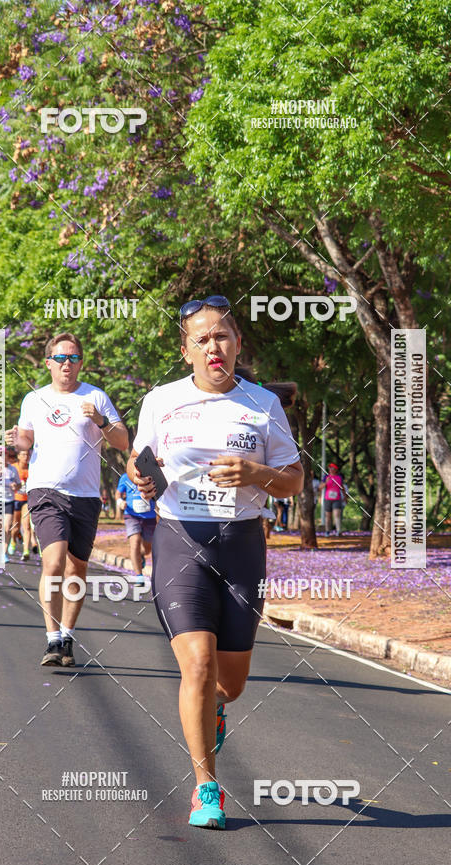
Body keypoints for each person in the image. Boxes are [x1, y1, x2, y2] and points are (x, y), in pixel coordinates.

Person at [127, 295, 303, 830]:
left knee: (231, 681)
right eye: (201, 339)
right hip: (181, 542)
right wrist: (140, 478)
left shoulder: (262, 404)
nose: (213, 346)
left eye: (221, 336)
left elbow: (294, 480)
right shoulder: (160, 401)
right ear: (187, 351)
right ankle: (207, 787)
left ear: (237, 344)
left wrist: (256, 472)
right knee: (196, 667)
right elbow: (141, 461)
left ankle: (217, 709)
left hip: (243, 545)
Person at [6, 333, 129, 667]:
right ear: (48, 363)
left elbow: (122, 440)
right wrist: (17, 439)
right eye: (60, 358)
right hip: (46, 490)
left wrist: (100, 421)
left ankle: (67, 637)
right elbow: (26, 441)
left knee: (77, 570)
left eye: (73, 358)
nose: (66, 365)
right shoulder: (34, 399)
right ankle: (51, 639)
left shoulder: (96, 396)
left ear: (81, 363)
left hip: (86, 495)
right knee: (54, 562)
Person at [116, 471, 156, 583]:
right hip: (131, 515)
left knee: (147, 548)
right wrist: (120, 502)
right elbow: (118, 494)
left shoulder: (151, 477)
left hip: (150, 517)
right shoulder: (125, 477)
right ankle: (139, 576)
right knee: (135, 542)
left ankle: (141, 555)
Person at [12, 448, 37, 559]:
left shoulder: (32, 468)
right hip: (15, 499)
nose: (26, 457)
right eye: (23, 454)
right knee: (15, 527)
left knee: (26, 526)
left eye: (27, 455)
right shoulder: (13, 468)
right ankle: (12, 539)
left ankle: (26, 551)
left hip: (27, 500)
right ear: (18, 456)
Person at [319, 462, 348, 536]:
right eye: (330, 468)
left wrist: (345, 497)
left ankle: (338, 531)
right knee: (328, 516)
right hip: (327, 499)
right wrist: (326, 482)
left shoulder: (339, 477)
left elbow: (342, 488)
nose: (331, 469)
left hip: (337, 499)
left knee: (337, 515)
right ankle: (327, 531)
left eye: (332, 468)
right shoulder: (326, 477)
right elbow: (320, 488)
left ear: (336, 469)